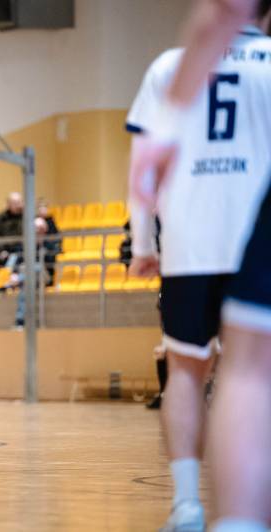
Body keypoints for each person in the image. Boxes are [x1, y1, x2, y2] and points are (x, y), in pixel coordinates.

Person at [127, 1, 271, 529]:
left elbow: (143, 164)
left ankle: (187, 504)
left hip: (190, 242)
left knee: (186, 371)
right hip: (257, 236)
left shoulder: (168, 66)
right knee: (255, 374)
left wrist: (142, 245)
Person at [0, 192, 24, 269]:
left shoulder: (26, 217)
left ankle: (9, 273)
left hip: (19, 249)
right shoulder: (0, 217)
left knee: (18, 254)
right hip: (1, 249)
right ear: (8, 204)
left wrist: (10, 252)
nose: (18, 205)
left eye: (20, 202)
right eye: (15, 203)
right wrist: (1, 250)